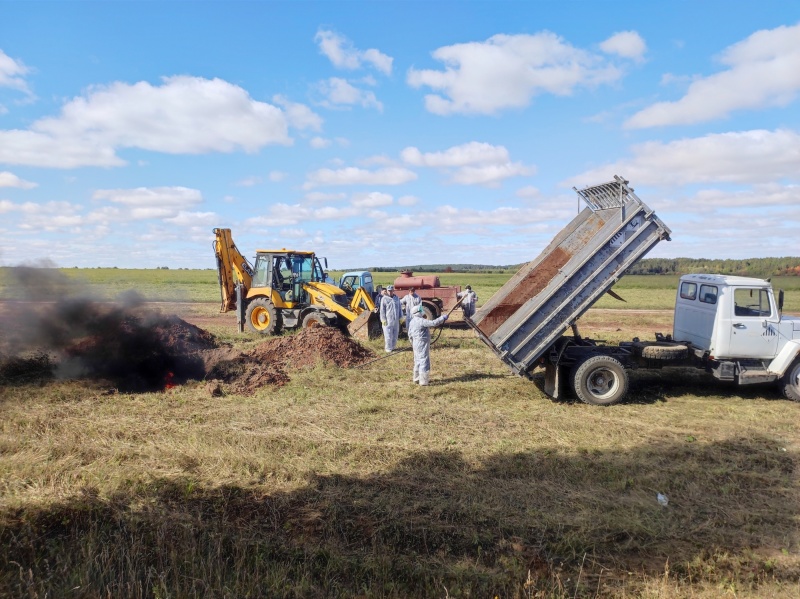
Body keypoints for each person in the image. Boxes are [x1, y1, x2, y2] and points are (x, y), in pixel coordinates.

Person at [407, 303, 448, 385]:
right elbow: (433, 323)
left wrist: (413, 343)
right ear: (418, 312)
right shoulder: (421, 321)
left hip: (415, 342)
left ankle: (416, 378)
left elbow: (409, 334)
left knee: (417, 360)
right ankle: (423, 381)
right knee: (423, 360)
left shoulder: (412, 321)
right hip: (422, 342)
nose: (423, 311)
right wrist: (442, 318)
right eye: (421, 310)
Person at [379, 285, 402, 352]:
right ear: (387, 291)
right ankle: (388, 348)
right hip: (388, 320)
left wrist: (401, 317)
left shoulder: (396, 298)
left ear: (393, 291)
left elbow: (400, 308)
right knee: (388, 335)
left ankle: (393, 346)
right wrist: (383, 320)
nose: (390, 292)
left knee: (395, 334)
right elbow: (382, 311)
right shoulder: (384, 299)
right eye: (389, 291)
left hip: (396, 320)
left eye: (391, 291)